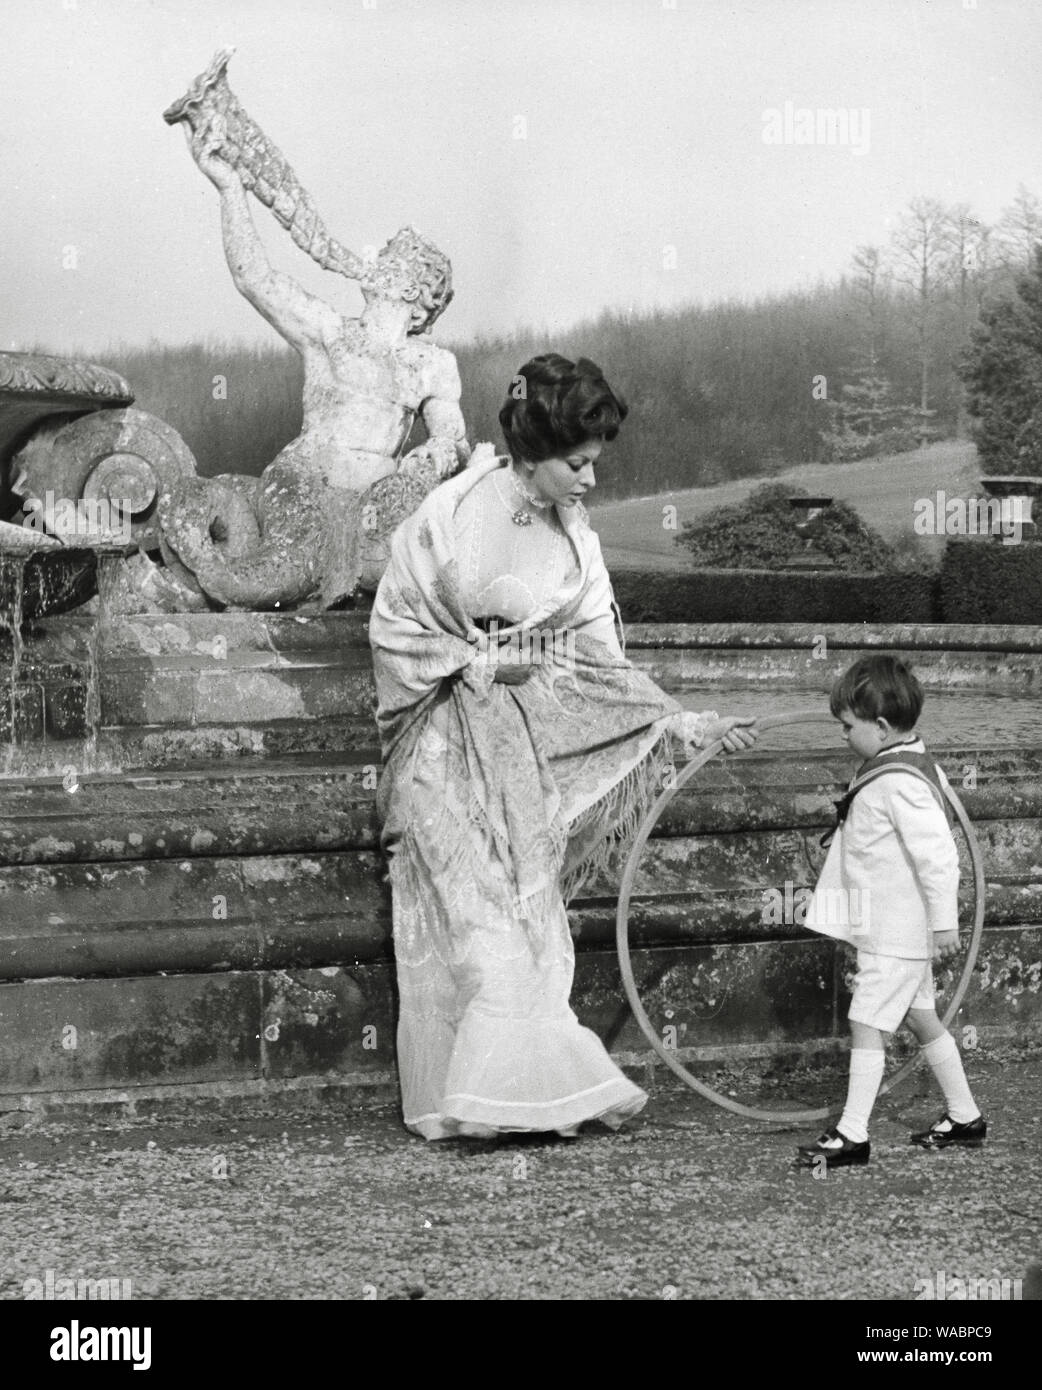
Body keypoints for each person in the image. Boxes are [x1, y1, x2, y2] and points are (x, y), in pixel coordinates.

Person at [369, 353, 758, 1140]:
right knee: (483, 935)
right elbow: (395, 627)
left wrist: (680, 723)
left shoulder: (575, 542)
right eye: (577, 465)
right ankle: (493, 1099)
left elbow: (601, 664)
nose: (589, 481)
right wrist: (479, 662)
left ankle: (528, 1097)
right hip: (441, 754)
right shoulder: (454, 515)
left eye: (593, 464)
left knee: (533, 930)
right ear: (534, 453)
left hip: (518, 761)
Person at [797, 654, 986, 1169]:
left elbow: (939, 855)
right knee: (923, 1018)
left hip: (895, 931)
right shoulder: (899, 763)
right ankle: (965, 1116)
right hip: (893, 925)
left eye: (847, 726)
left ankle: (853, 1133)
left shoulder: (901, 779)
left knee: (865, 1020)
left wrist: (945, 921)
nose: (842, 735)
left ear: (880, 728)